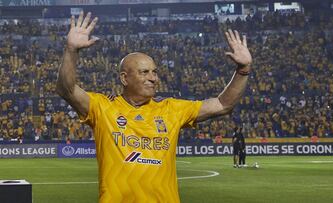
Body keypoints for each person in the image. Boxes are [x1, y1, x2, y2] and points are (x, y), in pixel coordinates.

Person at [56, 12, 252, 203]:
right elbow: (67, 90)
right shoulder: (103, 108)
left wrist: (243, 71)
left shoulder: (172, 109)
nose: (153, 78)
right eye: (144, 72)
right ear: (124, 78)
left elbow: (223, 104)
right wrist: (71, 50)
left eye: (154, 72)